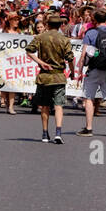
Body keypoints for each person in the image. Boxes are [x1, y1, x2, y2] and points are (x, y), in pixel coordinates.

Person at [26, 12, 74, 143]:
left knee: (45, 105)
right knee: (59, 105)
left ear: (47, 24)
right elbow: (70, 58)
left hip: (44, 76)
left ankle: (45, 133)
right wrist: (73, 72)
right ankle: (58, 132)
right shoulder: (64, 39)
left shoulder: (40, 37)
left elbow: (29, 50)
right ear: (60, 25)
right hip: (58, 76)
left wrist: (40, 62)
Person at [78, 7, 106, 137]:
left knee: (89, 98)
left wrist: (80, 71)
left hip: (94, 69)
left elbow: (84, 54)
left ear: (94, 19)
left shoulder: (90, 33)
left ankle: (89, 128)